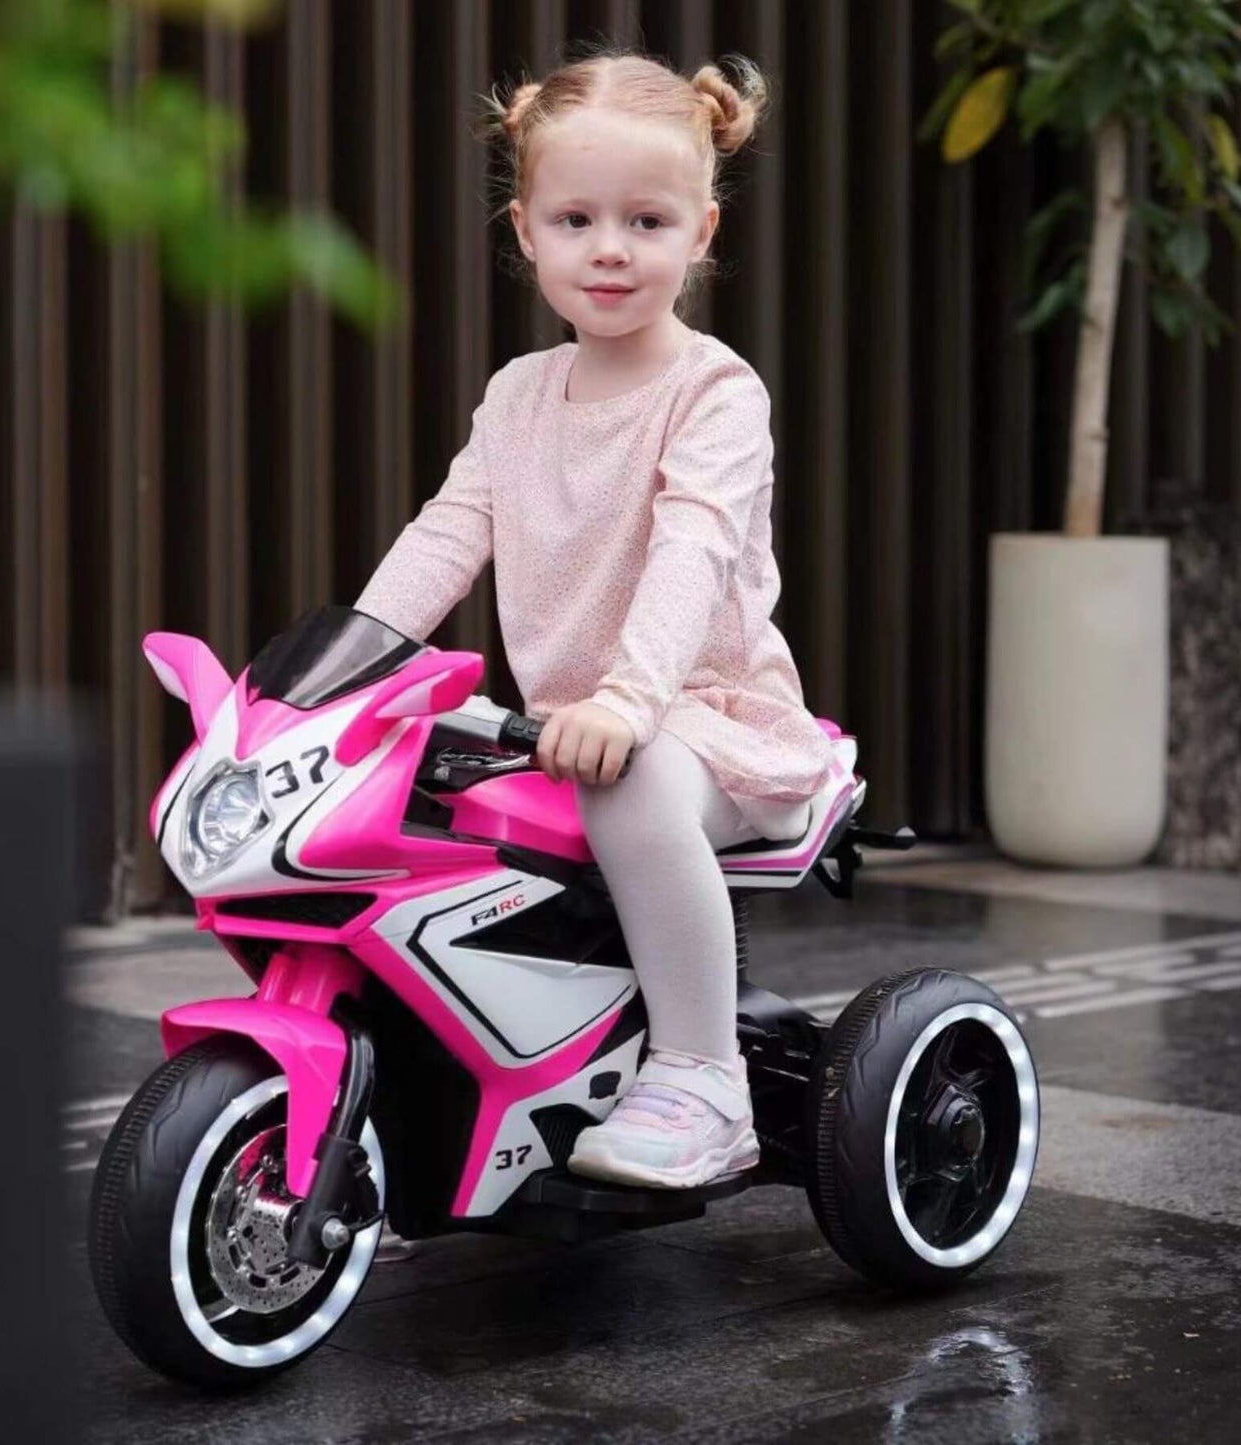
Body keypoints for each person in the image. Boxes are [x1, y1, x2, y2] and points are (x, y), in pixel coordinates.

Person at [354, 50, 836, 1190]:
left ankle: (702, 1075)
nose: (609, 247)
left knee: (632, 777)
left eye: (645, 219)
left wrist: (628, 696)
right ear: (525, 231)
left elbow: (690, 550)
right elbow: (445, 531)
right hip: (569, 724)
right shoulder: (518, 395)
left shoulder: (712, 392)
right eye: (575, 218)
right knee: (410, 788)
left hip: (702, 715)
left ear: (700, 230)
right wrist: (345, 663)